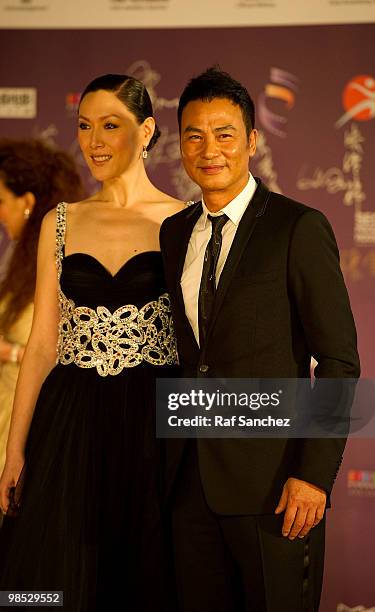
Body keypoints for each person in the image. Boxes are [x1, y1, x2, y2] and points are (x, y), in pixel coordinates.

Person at [159, 67, 360, 612]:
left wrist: (313, 476)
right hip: (189, 488)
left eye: (224, 134)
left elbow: (339, 362)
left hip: (277, 489)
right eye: (194, 135)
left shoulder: (297, 227)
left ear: (252, 140)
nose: (209, 149)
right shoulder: (174, 233)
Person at [0, 74, 184, 611]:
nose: (95, 141)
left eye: (111, 126)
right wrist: (14, 449)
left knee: (148, 574)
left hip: (155, 424)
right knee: (53, 580)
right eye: (84, 126)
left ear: (147, 130)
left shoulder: (182, 221)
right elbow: (41, 344)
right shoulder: (61, 222)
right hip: (72, 420)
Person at [0, 139, 84, 475]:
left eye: (2, 201)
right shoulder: (22, 265)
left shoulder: (59, 263)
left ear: (29, 202)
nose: (0, 213)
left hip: (33, 436)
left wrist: (12, 353)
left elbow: (62, 349)